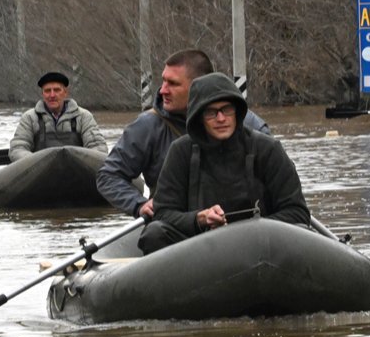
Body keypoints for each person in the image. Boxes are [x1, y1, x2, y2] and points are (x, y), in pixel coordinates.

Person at [141, 73, 310, 255]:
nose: (221, 119)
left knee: (303, 233)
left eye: (227, 109)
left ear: (237, 111)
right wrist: (200, 219)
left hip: (261, 247)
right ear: (198, 117)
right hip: (199, 249)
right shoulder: (181, 152)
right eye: (211, 112)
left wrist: (247, 230)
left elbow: (297, 213)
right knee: (154, 234)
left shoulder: (268, 149)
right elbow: (163, 212)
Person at [97, 49, 271, 219]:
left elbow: (279, 180)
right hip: (178, 227)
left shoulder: (251, 126)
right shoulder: (147, 126)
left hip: (245, 224)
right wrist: (138, 204)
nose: (162, 90)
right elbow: (109, 175)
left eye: (173, 84)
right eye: (163, 81)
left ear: (198, 86)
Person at [9, 71, 107, 163]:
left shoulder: (84, 116)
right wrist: (39, 163)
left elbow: (98, 148)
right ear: (42, 94)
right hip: (40, 175)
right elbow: (17, 149)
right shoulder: (29, 118)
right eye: (47, 91)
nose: (52, 95)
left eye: (57, 90)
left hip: (77, 173)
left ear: (65, 92)